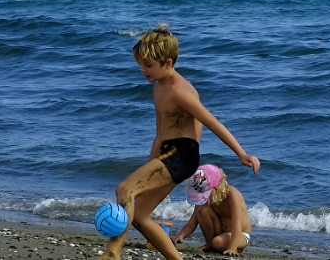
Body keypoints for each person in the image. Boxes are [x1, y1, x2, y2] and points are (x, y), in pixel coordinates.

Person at [99, 25, 260, 260]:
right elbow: (160, 132)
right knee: (140, 216)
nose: (143, 70)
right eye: (141, 65)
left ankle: (113, 252)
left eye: (148, 66)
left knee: (124, 190)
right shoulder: (158, 90)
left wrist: (241, 154)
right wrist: (150, 163)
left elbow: (211, 122)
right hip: (168, 153)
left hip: (181, 154)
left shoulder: (180, 91)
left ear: (168, 62)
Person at [174, 164, 252, 257]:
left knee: (218, 243)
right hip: (221, 233)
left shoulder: (232, 194)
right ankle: (210, 244)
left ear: (216, 187)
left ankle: (218, 245)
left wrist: (232, 248)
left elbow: (237, 225)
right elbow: (192, 222)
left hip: (240, 235)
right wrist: (180, 236)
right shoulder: (206, 199)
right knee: (202, 210)